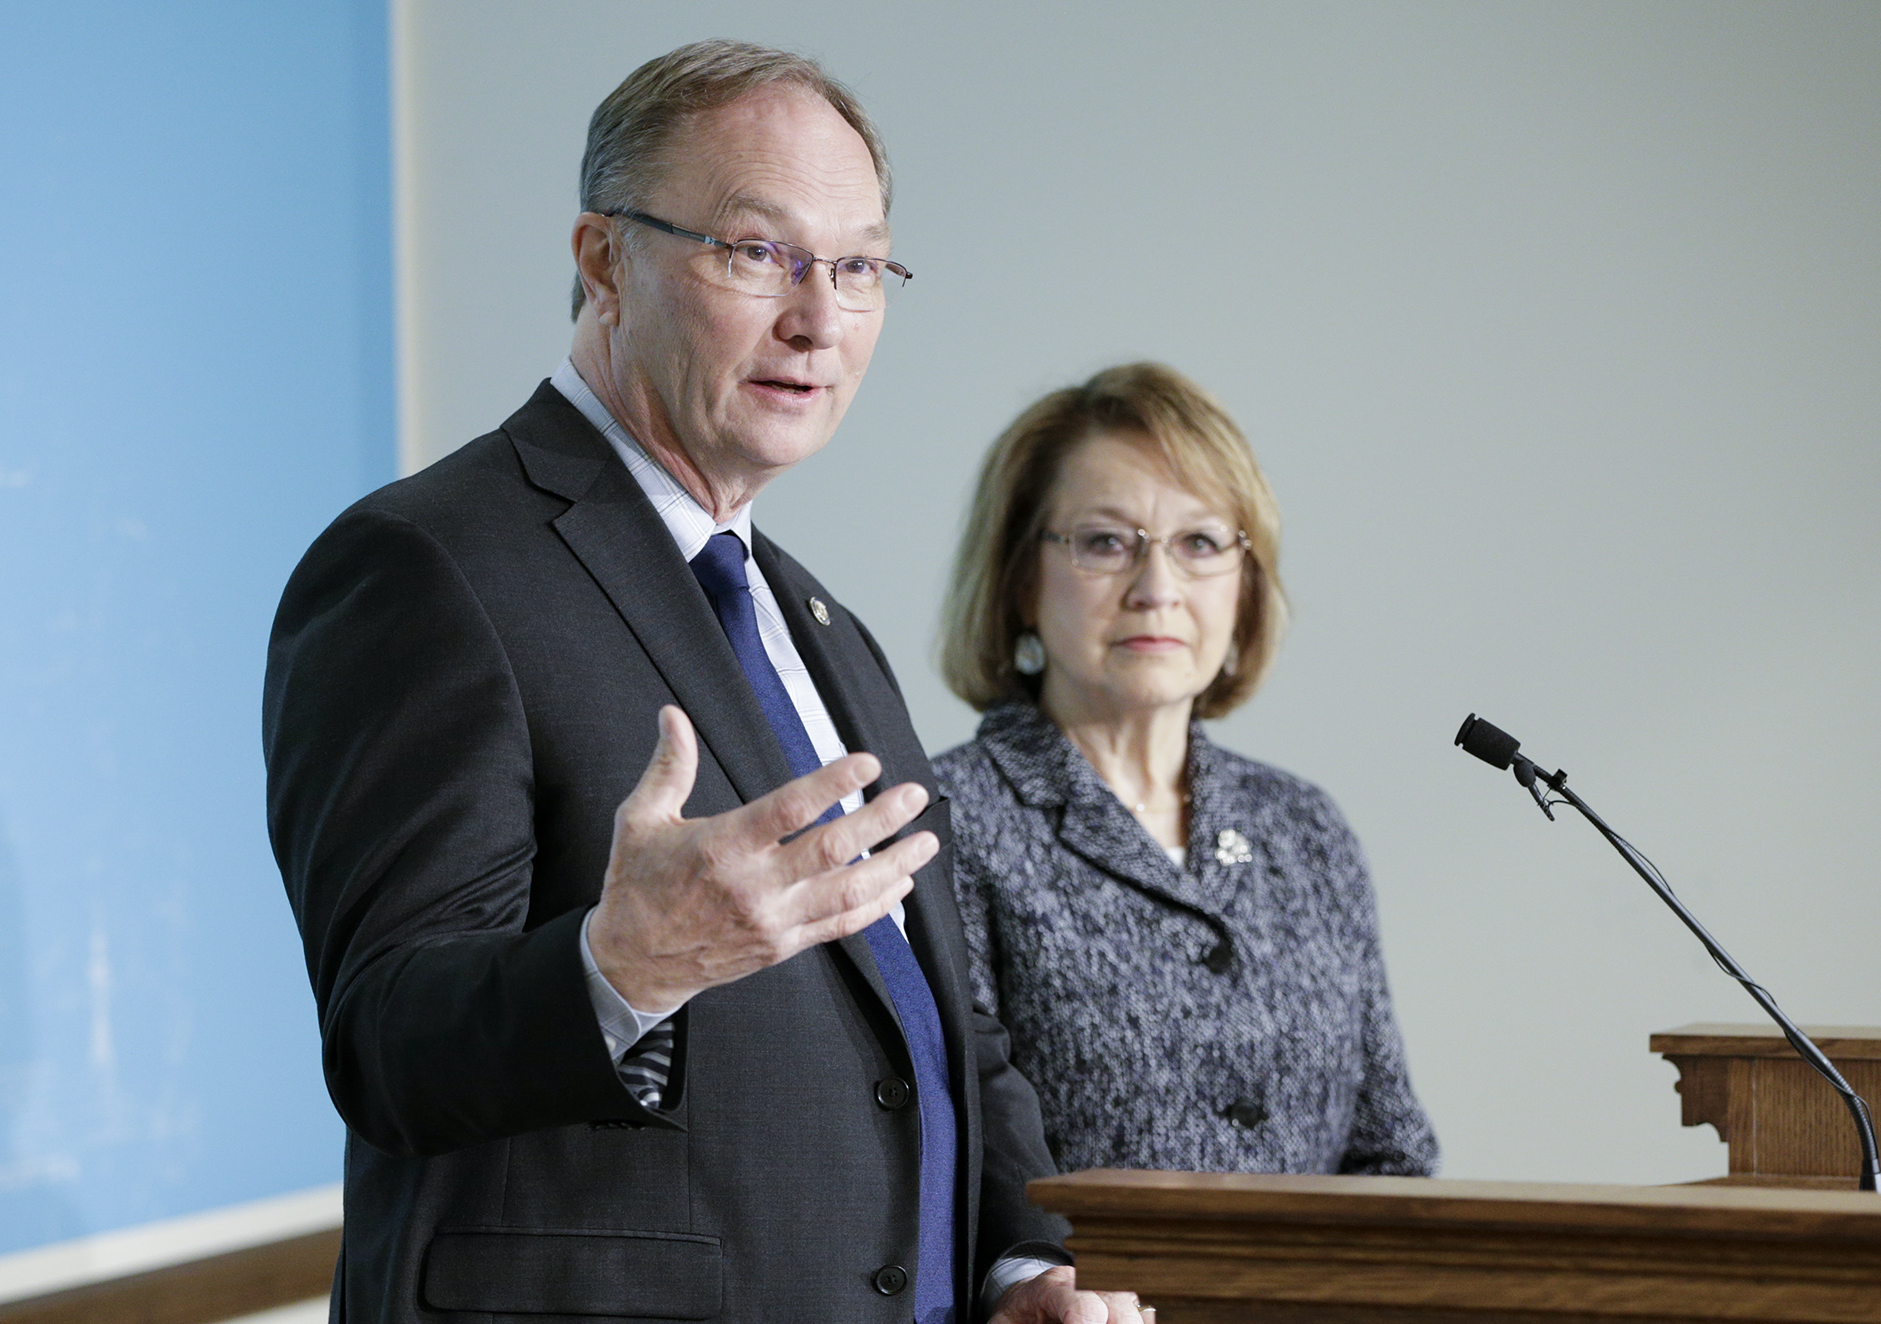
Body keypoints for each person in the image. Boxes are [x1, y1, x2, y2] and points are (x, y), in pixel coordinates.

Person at [264, 41, 1146, 1324]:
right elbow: (388, 1041)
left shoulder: (819, 624)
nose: (819, 319)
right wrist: (621, 964)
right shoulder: (424, 566)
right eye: (758, 252)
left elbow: (945, 1022)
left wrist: (1019, 1260)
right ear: (603, 260)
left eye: (856, 267)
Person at [933, 362, 1438, 1179]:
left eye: (1200, 543)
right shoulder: (944, 822)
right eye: (1105, 543)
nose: (1157, 588)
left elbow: (1391, 1153)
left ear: (1245, 584)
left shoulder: (1304, 828)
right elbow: (950, 1171)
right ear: (1022, 579)